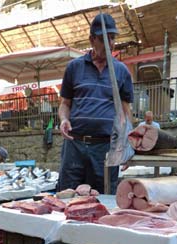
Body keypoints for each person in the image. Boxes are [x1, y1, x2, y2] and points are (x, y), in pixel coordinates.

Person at [57, 13, 133, 193]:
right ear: (92, 40)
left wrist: (126, 145)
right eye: (103, 39)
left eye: (112, 38)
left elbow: (125, 110)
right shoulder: (74, 67)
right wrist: (63, 120)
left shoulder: (121, 71)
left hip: (105, 147)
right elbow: (65, 103)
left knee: (104, 197)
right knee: (67, 195)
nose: (110, 44)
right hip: (75, 145)